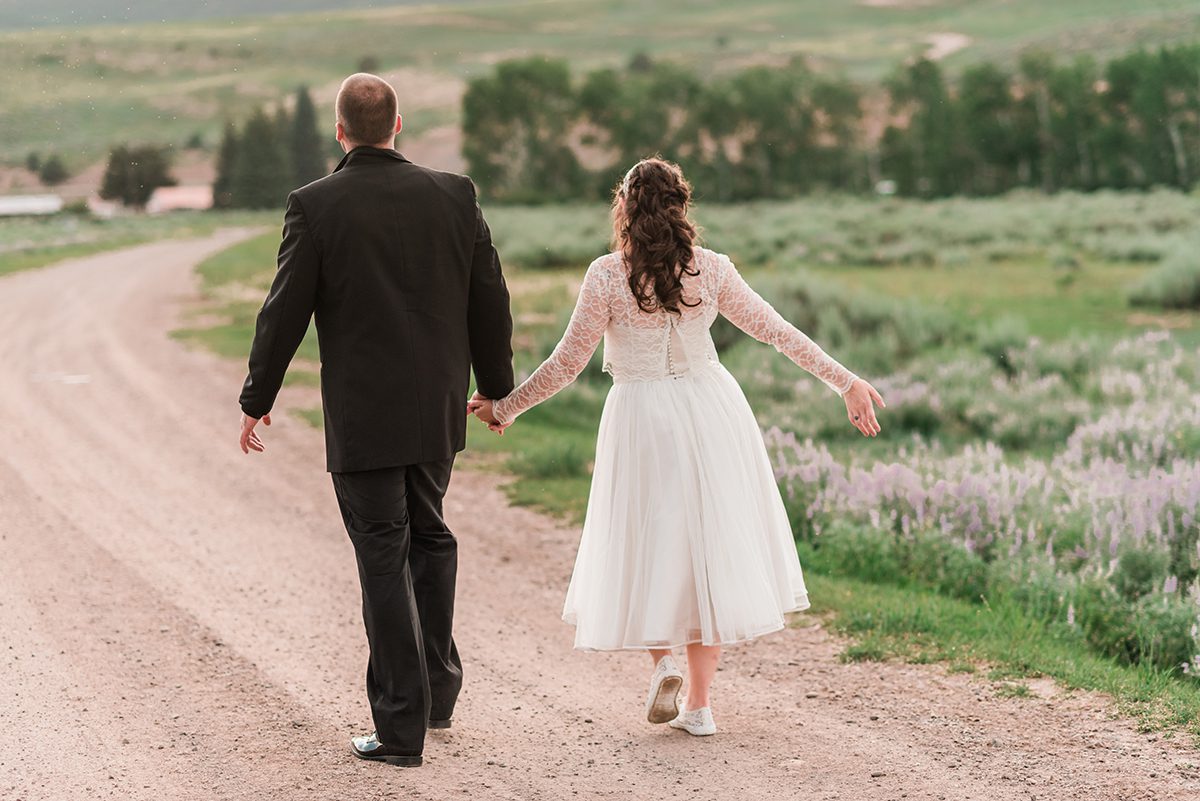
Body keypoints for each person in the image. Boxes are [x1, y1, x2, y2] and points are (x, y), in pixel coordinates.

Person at [469, 157, 883, 736]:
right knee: (706, 547)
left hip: (641, 414)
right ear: (682, 208)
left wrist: (504, 408)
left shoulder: (606, 275)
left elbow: (568, 362)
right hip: (712, 409)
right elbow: (776, 330)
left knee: (649, 538)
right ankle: (701, 706)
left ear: (625, 210)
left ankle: (663, 660)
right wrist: (847, 380)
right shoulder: (711, 270)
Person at [237, 73, 514, 767]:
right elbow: (491, 297)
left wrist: (256, 397)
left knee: (383, 555)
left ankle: (400, 727)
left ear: (341, 131)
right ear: (398, 126)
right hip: (438, 406)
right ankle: (437, 691)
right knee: (430, 535)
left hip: (364, 417)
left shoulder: (315, 205)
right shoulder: (456, 195)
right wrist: (496, 389)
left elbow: (284, 309)